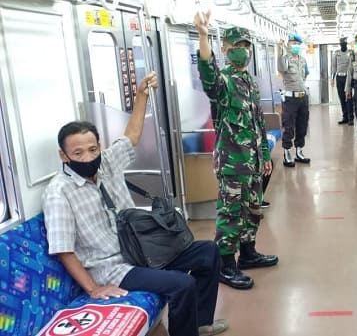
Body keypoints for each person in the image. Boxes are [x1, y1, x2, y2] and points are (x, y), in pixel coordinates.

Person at [42, 72, 228, 336]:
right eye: (78, 153)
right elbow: (64, 250)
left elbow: (131, 136)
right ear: (64, 155)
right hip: (114, 267)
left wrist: (141, 96)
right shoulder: (59, 193)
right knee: (182, 284)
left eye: (92, 149)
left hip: (143, 251)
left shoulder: (106, 163)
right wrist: (93, 288)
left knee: (208, 252)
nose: (88, 157)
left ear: (99, 146)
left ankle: (199, 323)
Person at [195, 11, 278, 290]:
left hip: (253, 160)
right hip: (232, 162)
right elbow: (208, 76)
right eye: (235, 47)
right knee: (231, 213)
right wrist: (203, 36)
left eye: (245, 46)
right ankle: (226, 264)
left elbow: (257, 122)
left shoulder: (250, 82)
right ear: (225, 50)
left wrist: (265, 155)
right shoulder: (224, 82)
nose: (242, 51)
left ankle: (249, 253)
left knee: (253, 209)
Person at [278, 33, 311, 167]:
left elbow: (306, 74)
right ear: (288, 45)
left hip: (303, 97)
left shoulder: (303, 60)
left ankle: (299, 151)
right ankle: (287, 154)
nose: (295, 46)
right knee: (289, 127)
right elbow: (281, 68)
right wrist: (279, 50)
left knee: (302, 126)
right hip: (290, 98)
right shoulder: (285, 59)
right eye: (293, 43)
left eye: (297, 44)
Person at [331, 36, 354, 125]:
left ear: (346, 44)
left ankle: (350, 118)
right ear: (340, 44)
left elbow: (353, 65)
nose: (343, 45)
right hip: (339, 78)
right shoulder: (336, 53)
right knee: (342, 98)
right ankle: (345, 117)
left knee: (348, 97)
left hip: (348, 78)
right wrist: (332, 78)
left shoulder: (351, 53)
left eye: (344, 43)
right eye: (341, 44)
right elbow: (334, 66)